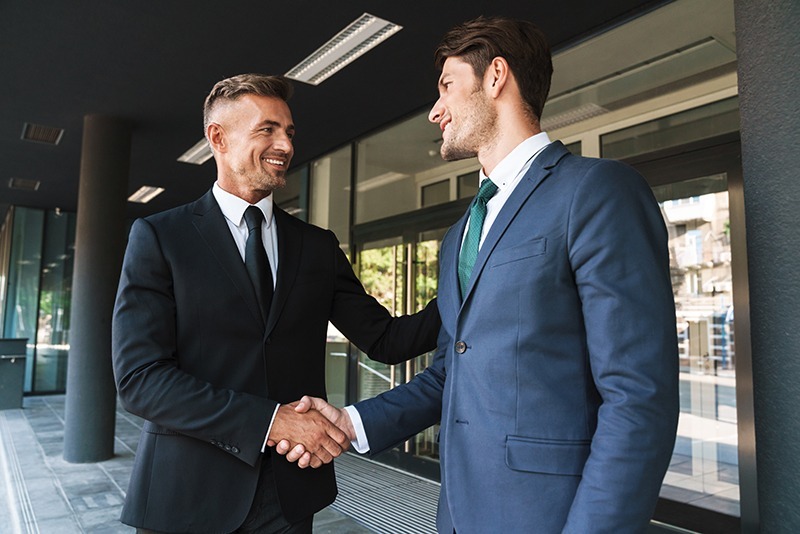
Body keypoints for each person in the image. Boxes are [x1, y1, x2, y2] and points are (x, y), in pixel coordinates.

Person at [281, 16, 679, 533]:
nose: (434, 111)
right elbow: (451, 373)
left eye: (447, 86)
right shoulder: (457, 239)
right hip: (458, 513)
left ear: (495, 77)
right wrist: (351, 423)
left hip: (550, 516)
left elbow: (638, 397)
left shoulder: (597, 192)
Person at [111, 73, 440, 534]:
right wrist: (271, 422)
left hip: (289, 498)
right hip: (188, 495)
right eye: (267, 129)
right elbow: (141, 381)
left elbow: (386, 340)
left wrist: (471, 281)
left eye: (289, 132)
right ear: (218, 138)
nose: (284, 144)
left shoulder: (316, 246)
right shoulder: (160, 237)